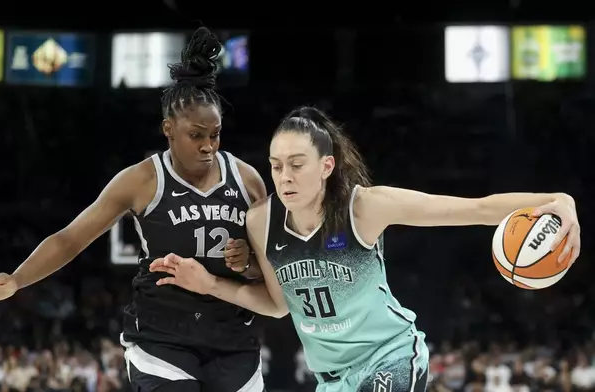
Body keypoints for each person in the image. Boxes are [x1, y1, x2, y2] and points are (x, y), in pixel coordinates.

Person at [149, 106, 581, 392]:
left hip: (390, 356)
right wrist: (209, 284)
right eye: (276, 166)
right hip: (331, 379)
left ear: (326, 165)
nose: (284, 177)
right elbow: (279, 305)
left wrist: (557, 201)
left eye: (297, 165)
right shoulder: (260, 221)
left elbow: (473, 209)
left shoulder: (364, 208)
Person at [0, 27, 269, 392]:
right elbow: (71, 239)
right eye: (197, 135)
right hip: (163, 340)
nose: (208, 146)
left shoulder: (248, 181)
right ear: (168, 129)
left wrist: (249, 260)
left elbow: (268, 272)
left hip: (233, 340)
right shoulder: (141, 181)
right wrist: (16, 280)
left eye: (215, 134)